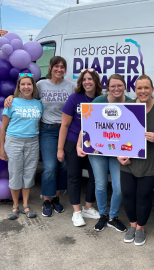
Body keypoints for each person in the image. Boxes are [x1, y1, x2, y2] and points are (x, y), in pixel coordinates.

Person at [4, 56, 74, 217]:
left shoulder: (70, 86)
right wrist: (11, 97)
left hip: (66, 131)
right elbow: (26, 96)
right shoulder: (41, 85)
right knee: (50, 167)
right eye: (56, 66)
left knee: (63, 167)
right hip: (48, 131)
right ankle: (47, 200)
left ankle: (56, 198)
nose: (59, 69)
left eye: (62, 67)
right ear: (50, 68)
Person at [117, 75, 154, 246]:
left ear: (152, 89)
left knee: (143, 195)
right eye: (139, 88)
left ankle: (141, 227)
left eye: (146, 88)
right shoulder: (128, 107)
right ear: (135, 90)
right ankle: (132, 225)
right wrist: (119, 154)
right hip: (130, 159)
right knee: (127, 193)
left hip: (152, 159)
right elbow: (118, 135)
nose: (143, 91)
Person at [87, 74, 132, 232]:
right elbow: (87, 125)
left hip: (118, 152)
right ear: (108, 88)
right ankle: (103, 215)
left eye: (119, 85)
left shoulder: (131, 103)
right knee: (100, 184)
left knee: (119, 188)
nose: (116, 89)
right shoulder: (98, 101)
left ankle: (113, 217)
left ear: (125, 86)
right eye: (113, 86)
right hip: (98, 150)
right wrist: (81, 144)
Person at [58, 68, 102, 227]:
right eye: (84, 79)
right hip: (72, 142)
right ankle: (76, 212)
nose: (87, 82)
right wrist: (60, 149)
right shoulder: (74, 98)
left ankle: (88, 208)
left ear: (96, 81)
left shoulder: (101, 99)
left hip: (96, 144)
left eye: (90, 79)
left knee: (95, 177)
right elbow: (64, 125)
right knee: (74, 177)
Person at [0, 73, 43, 220]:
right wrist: (2, 148)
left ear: (33, 87)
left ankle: (26, 205)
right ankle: (15, 205)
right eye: (23, 84)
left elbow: (37, 125)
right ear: (19, 87)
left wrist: (37, 146)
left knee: (29, 173)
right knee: (15, 172)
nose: (26, 87)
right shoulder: (11, 103)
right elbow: (3, 128)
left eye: (29, 84)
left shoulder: (38, 104)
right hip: (14, 141)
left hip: (32, 142)